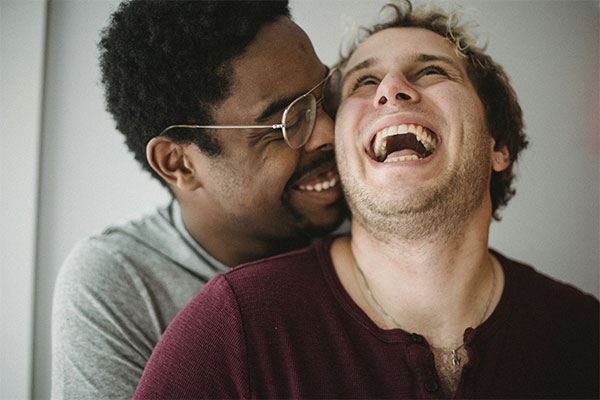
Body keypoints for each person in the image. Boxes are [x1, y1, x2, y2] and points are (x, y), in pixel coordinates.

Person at [133, 1, 599, 399]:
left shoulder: (582, 334)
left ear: (498, 145)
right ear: (340, 148)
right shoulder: (232, 328)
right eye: (362, 82)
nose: (391, 88)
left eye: (432, 71)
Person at [51, 1, 348, 398]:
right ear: (179, 164)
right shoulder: (123, 285)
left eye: (325, 93)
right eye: (289, 122)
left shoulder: (368, 216)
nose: (329, 133)